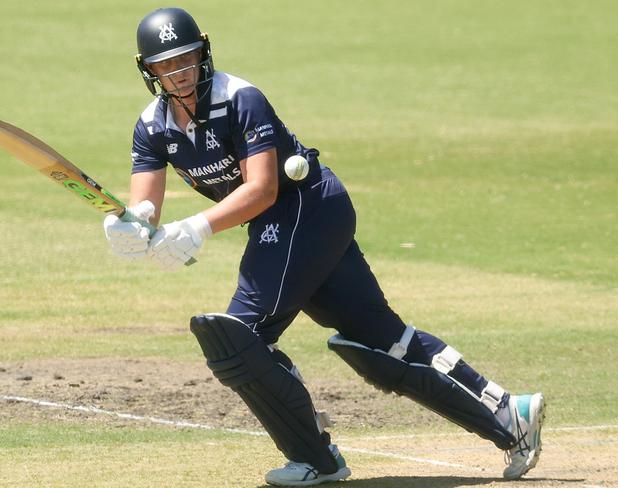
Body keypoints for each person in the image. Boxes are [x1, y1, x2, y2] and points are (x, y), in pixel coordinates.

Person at [103, 7, 546, 486]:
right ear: (149, 71)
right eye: (166, 65)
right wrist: (134, 224)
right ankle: (508, 413)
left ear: (203, 54)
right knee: (378, 342)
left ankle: (316, 458)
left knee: (238, 337)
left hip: (307, 207)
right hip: (291, 223)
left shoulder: (240, 99)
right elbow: (145, 201)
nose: (179, 72)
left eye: (186, 59)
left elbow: (263, 190)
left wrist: (195, 228)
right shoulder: (152, 125)